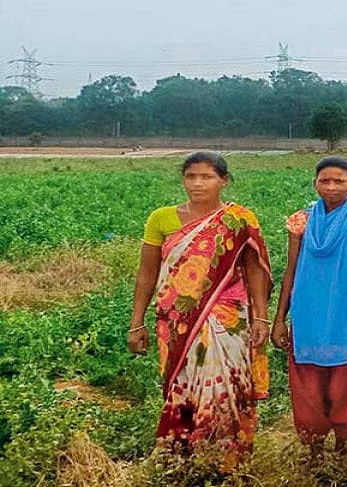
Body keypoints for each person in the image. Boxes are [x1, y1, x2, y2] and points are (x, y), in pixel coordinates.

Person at [127, 151, 272, 473]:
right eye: (191, 176)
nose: (197, 183)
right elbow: (147, 273)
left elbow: (255, 270)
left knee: (228, 386)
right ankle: (183, 460)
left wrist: (261, 316)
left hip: (228, 318)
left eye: (206, 176)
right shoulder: (161, 219)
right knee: (183, 385)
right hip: (176, 320)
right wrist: (135, 323)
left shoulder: (239, 219)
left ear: (224, 180)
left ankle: (228, 464)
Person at [271, 156, 347, 461]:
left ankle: (345, 443)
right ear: (315, 183)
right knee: (309, 383)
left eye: (339, 181)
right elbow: (291, 270)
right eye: (325, 180)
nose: (332, 187)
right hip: (309, 313)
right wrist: (279, 319)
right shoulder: (301, 221)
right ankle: (315, 447)